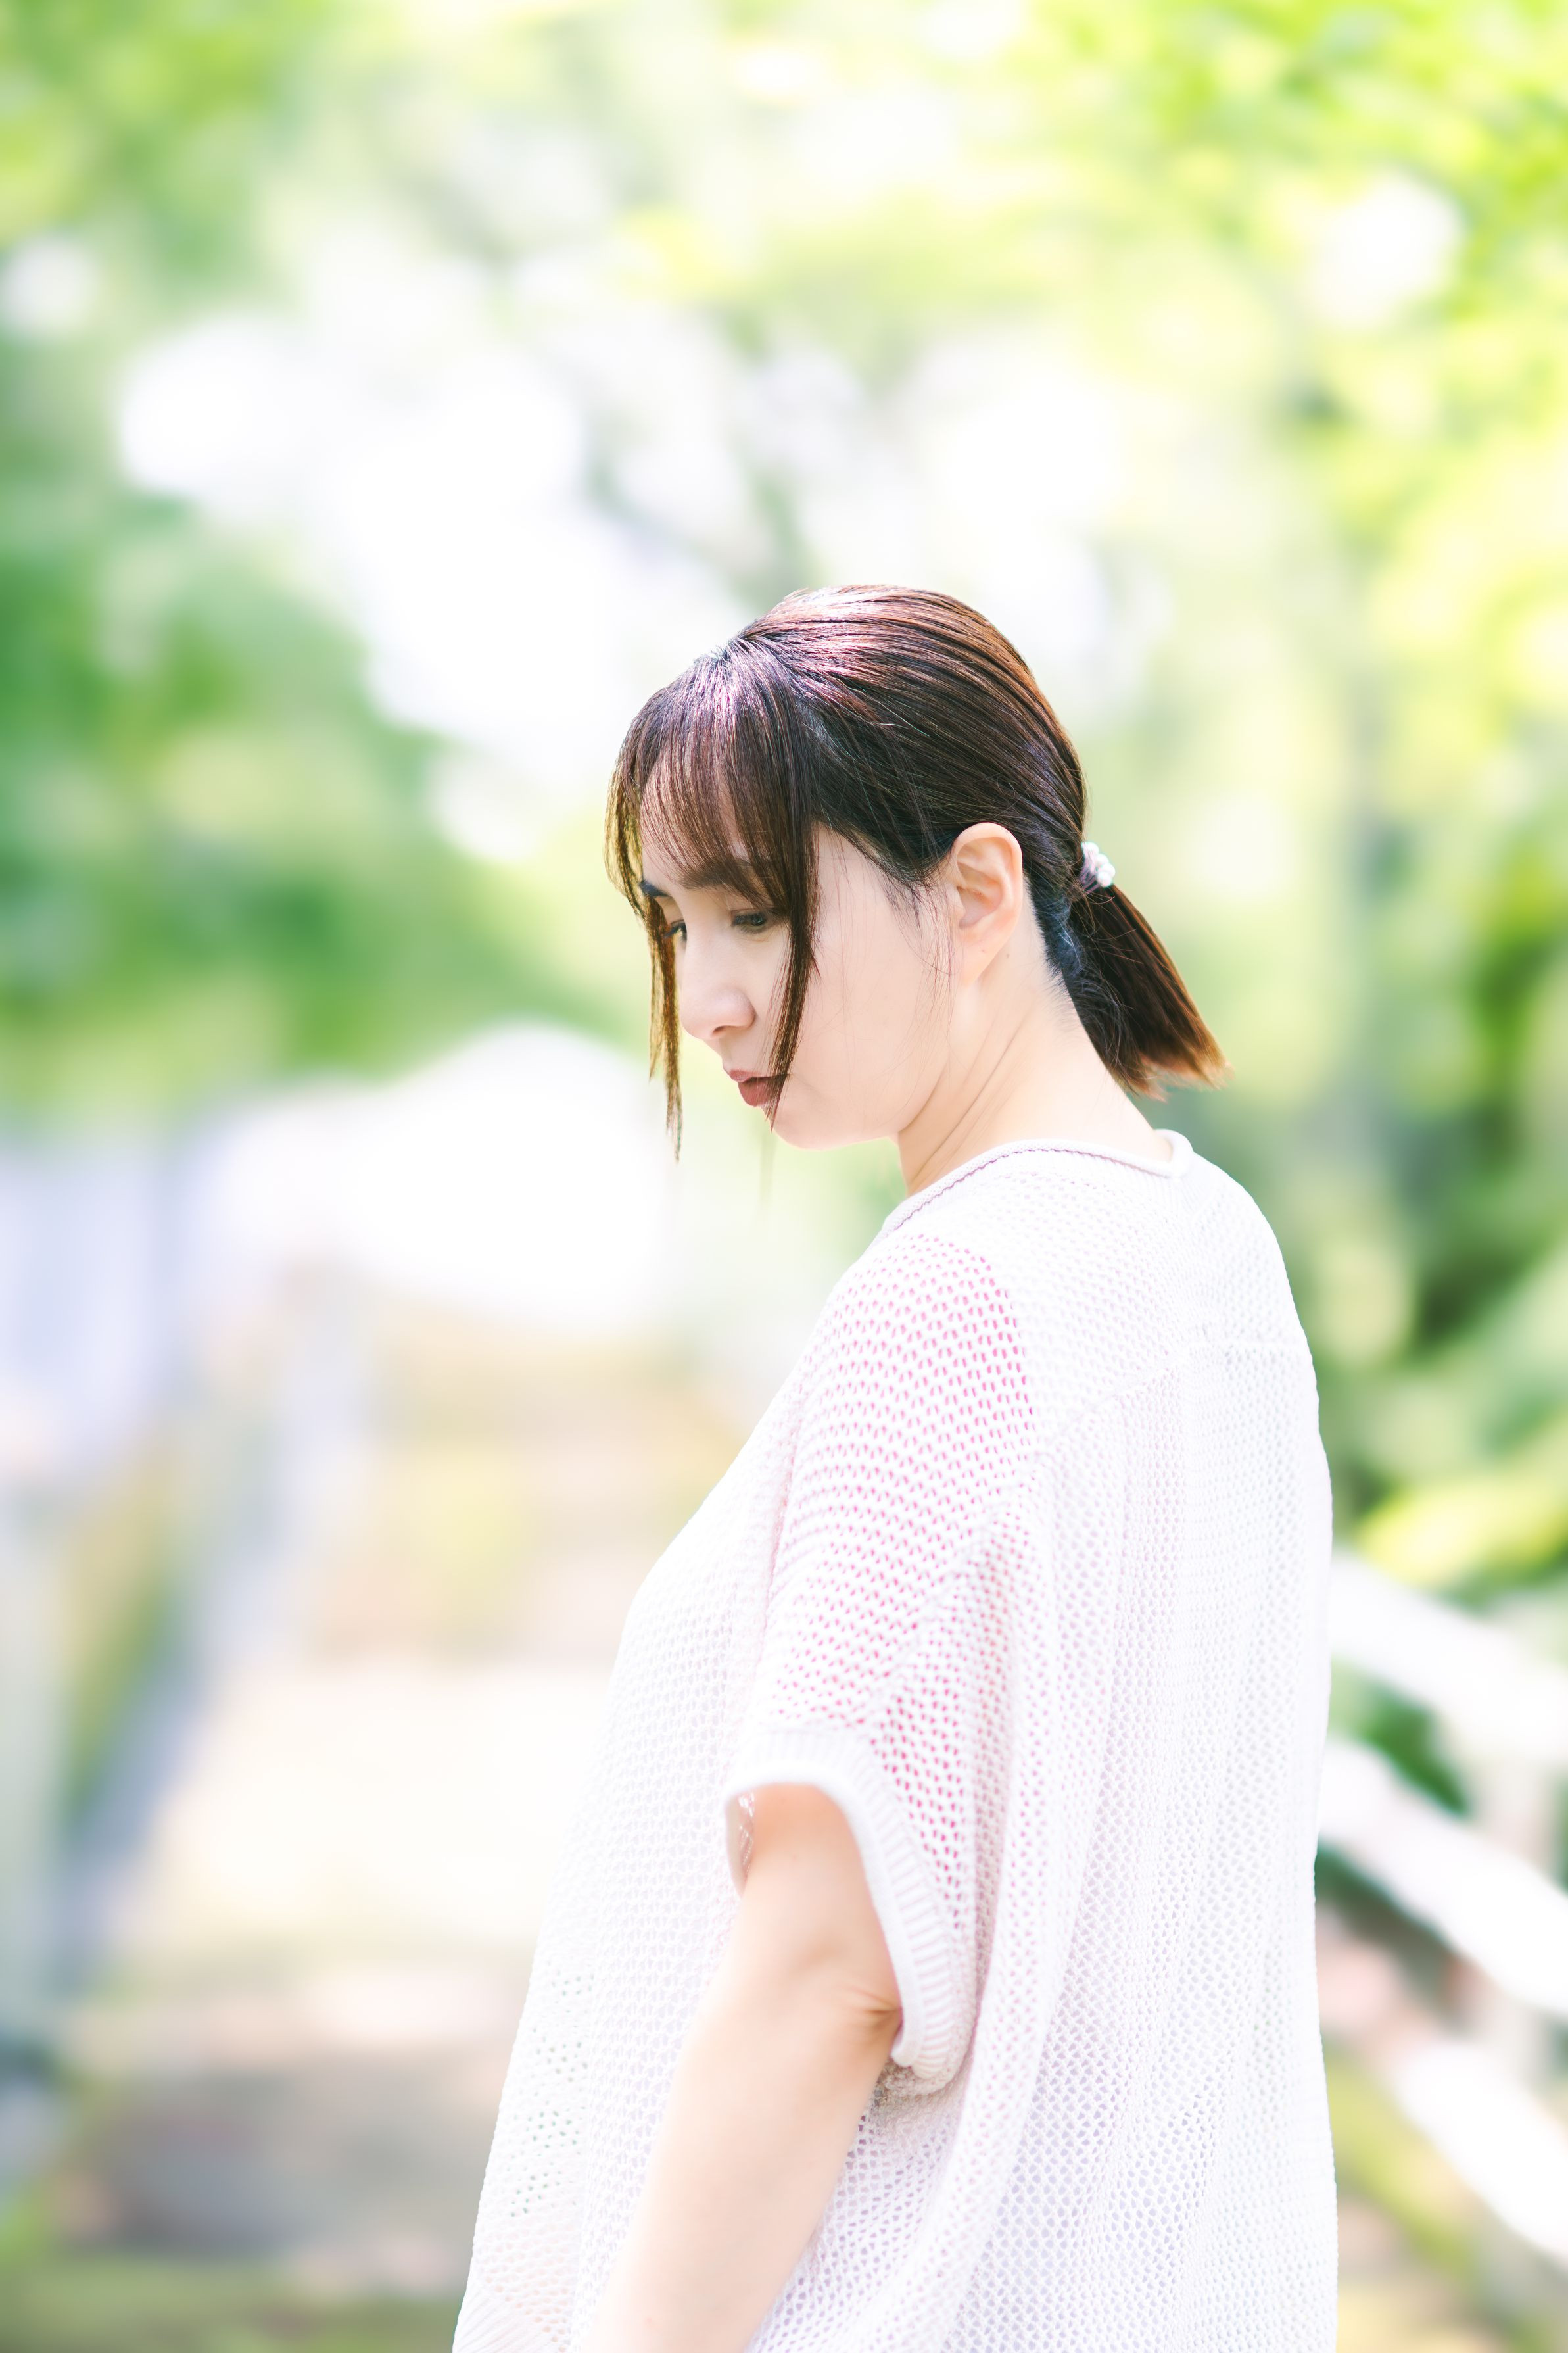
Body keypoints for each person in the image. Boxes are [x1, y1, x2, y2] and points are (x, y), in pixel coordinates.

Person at [454, 585, 1337, 2353]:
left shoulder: (955, 1303)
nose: (706, 997)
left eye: (758, 911)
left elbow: (824, 1967)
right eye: (676, 921)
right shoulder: (1213, 1262)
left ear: (981, 892)